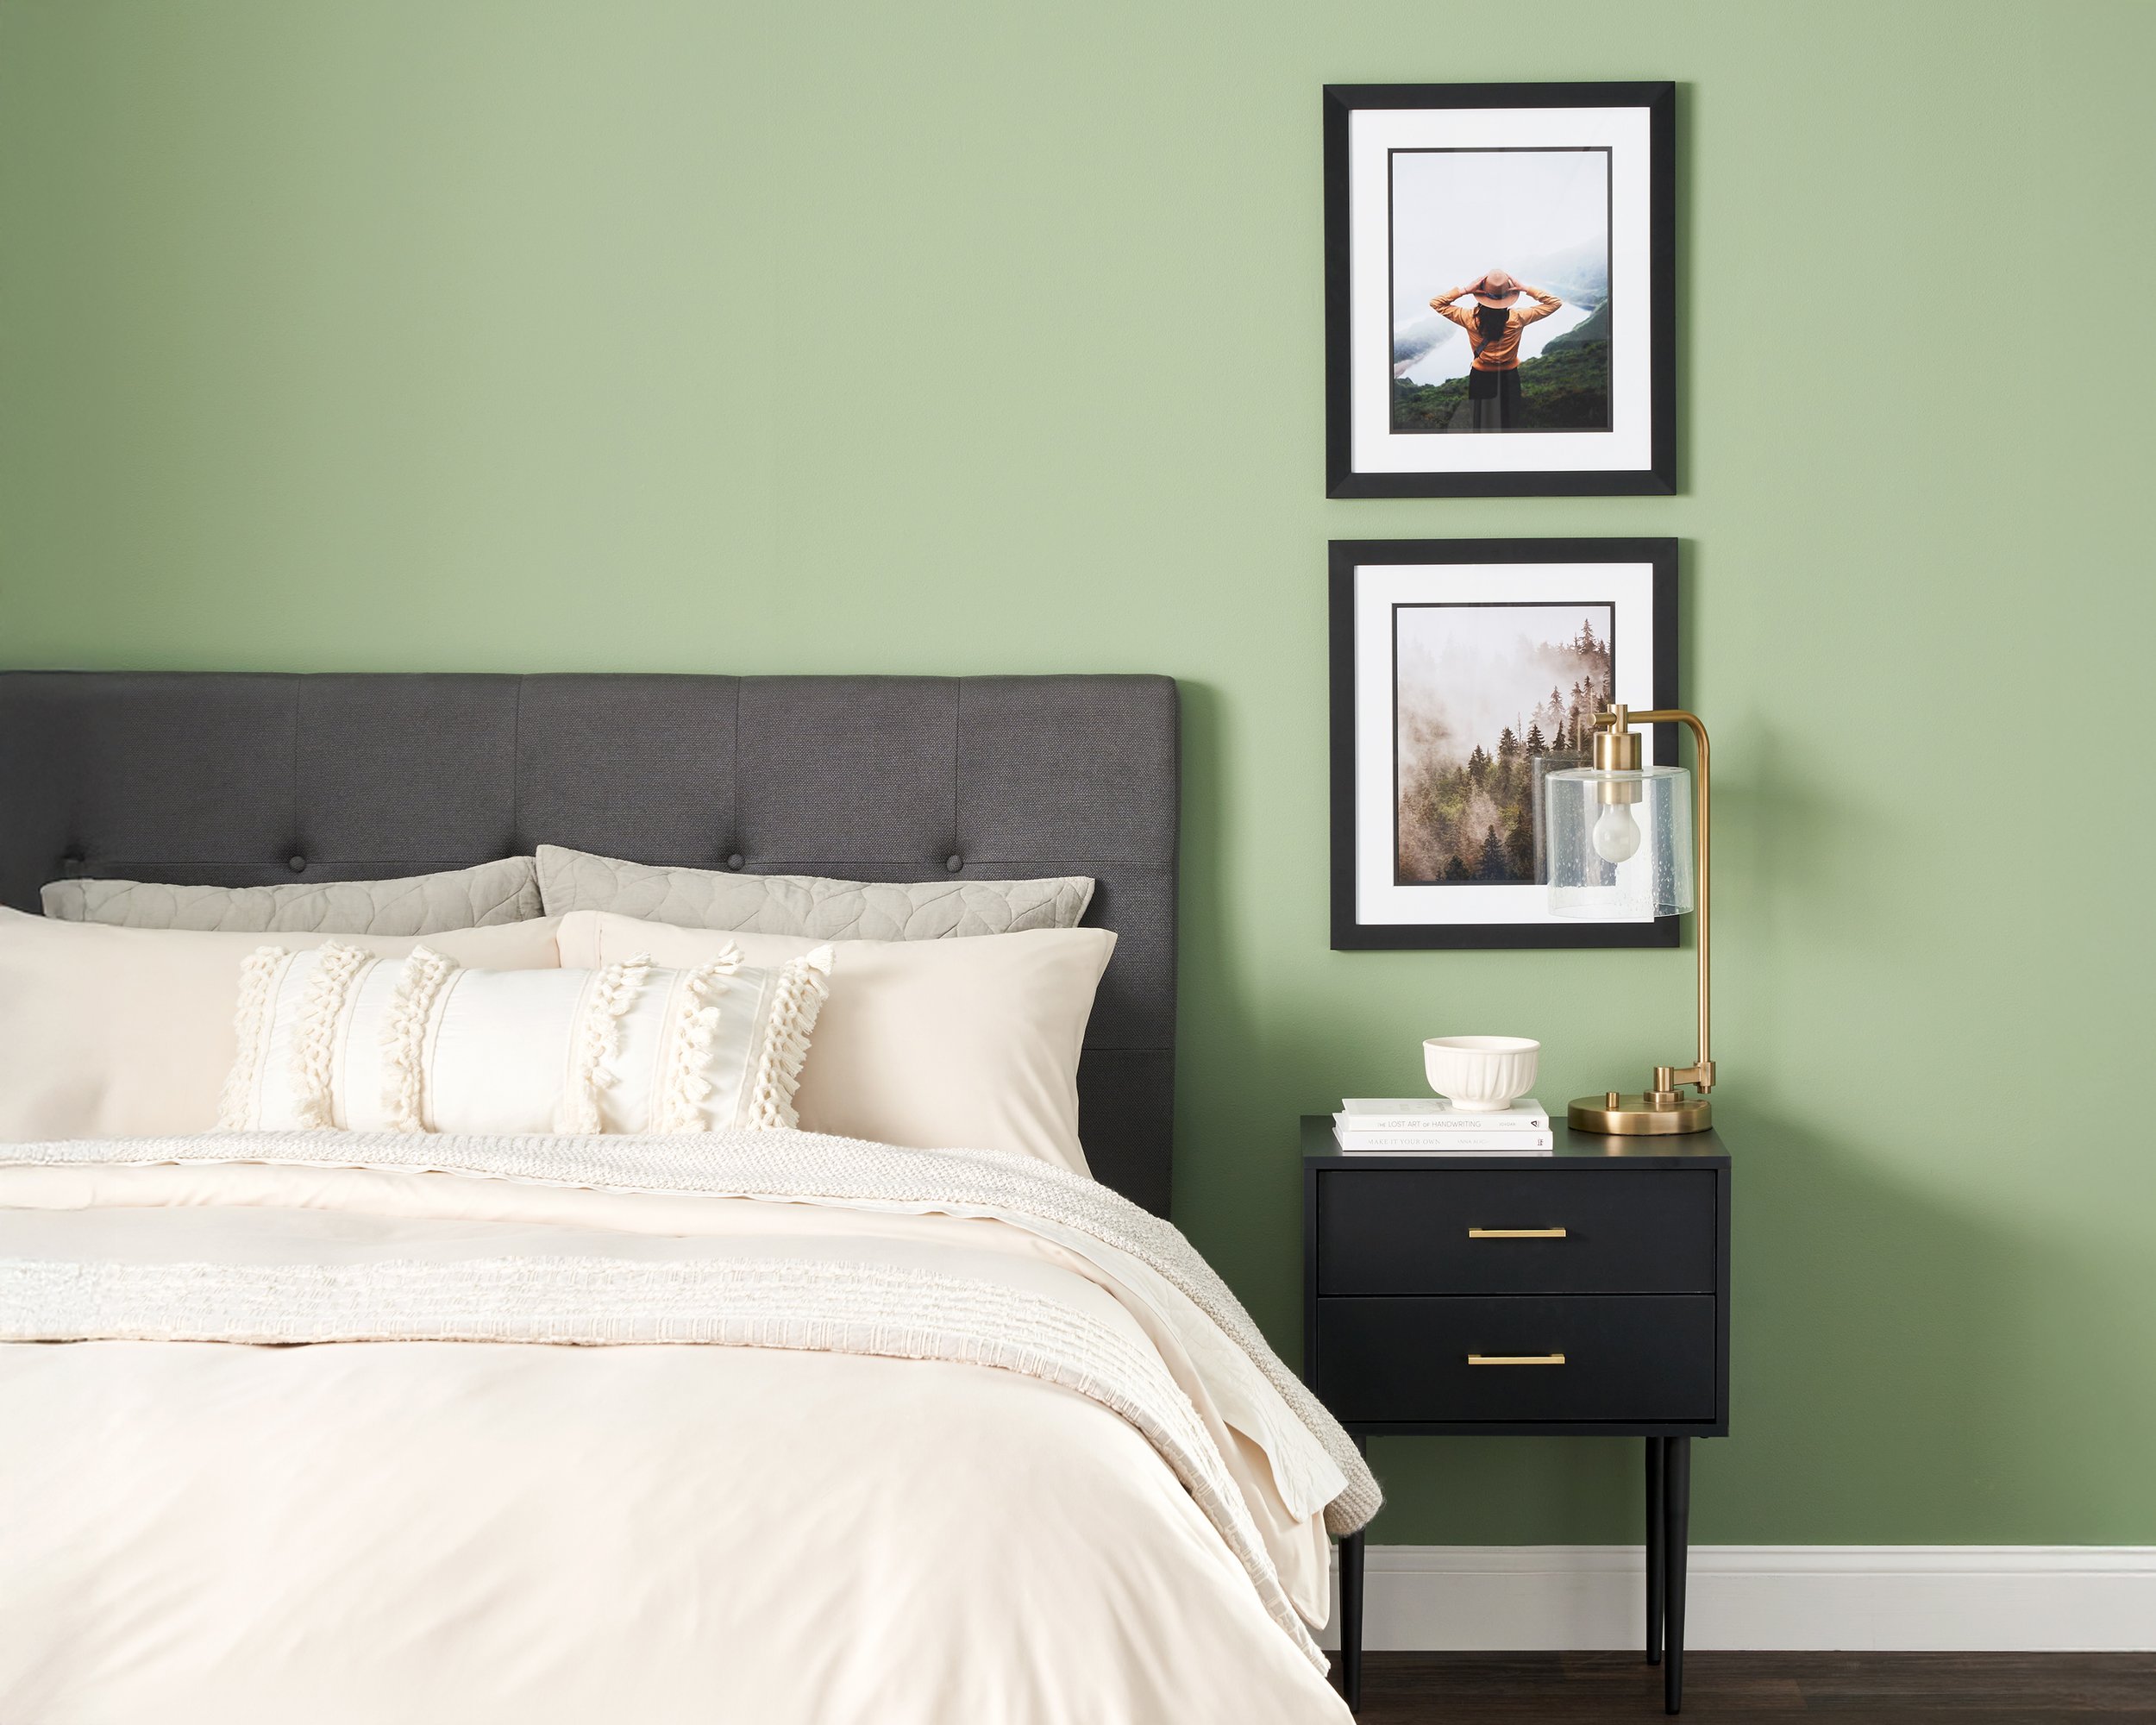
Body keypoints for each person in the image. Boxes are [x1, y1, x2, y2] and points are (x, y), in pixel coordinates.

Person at [1429, 271, 1564, 431]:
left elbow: (1436, 303)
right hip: (1509, 377)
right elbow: (1554, 303)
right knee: (1509, 421)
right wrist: (1525, 288)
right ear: (1508, 295)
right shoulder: (1518, 318)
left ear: (1482, 294)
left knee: (1482, 421)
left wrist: (1465, 290)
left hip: (1480, 377)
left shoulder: (1469, 318)